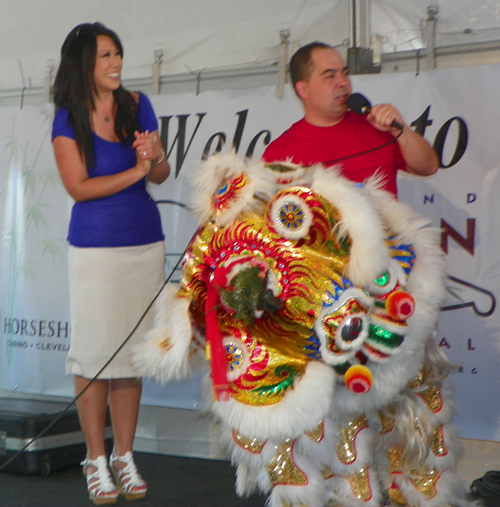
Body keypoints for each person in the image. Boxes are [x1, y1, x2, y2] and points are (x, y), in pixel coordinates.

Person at [52, 23, 170, 505]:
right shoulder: (68, 115)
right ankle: (95, 458)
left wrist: (155, 158)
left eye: (118, 53)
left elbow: (158, 174)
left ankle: (125, 455)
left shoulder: (138, 104)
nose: (116, 61)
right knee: (96, 352)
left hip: (144, 241)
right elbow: (78, 187)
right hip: (95, 246)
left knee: (132, 353)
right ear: (85, 64)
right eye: (105, 55)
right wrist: (136, 171)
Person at [262, 41, 439, 196]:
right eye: (330, 76)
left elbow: (428, 167)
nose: (343, 82)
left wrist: (401, 131)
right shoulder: (279, 154)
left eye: (344, 73)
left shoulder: (377, 127)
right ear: (303, 89)